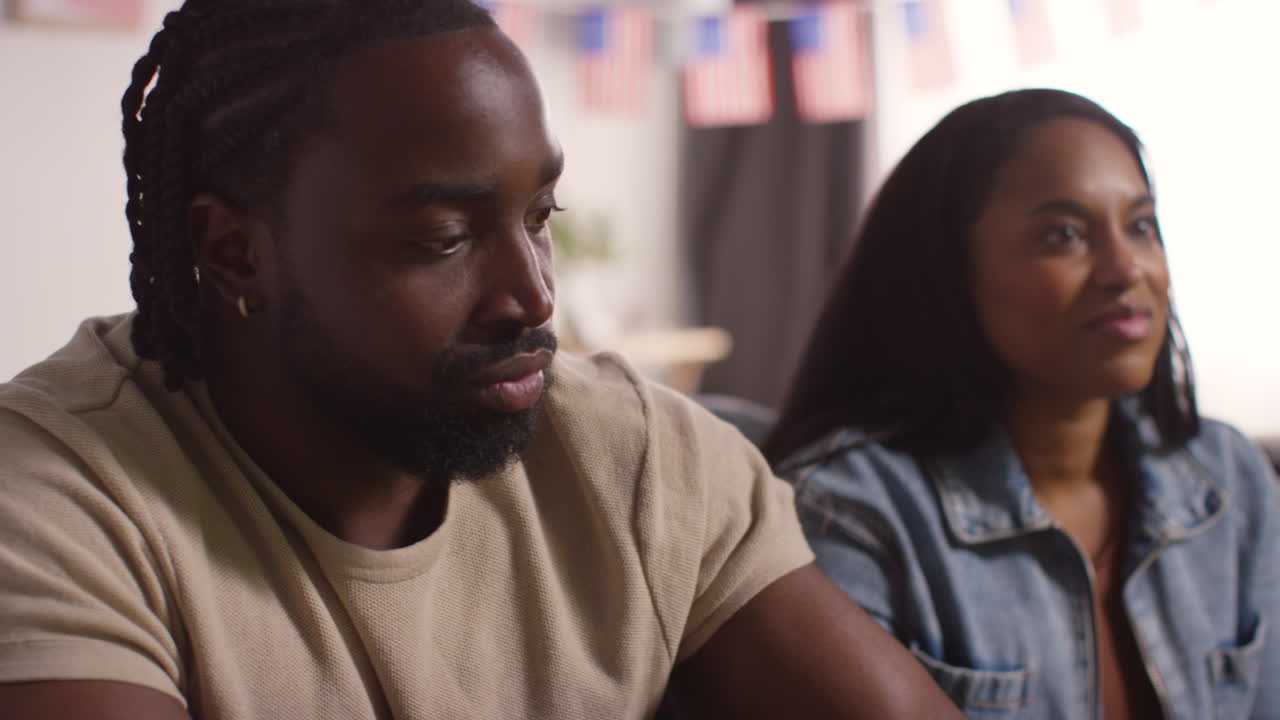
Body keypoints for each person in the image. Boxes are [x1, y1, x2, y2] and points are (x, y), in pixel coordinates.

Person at [0, 1, 965, 718]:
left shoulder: (639, 453)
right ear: (236, 251)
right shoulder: (53, 497)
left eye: (540, 216)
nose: (535, 297)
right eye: (443, 237)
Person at [765, 88, 1280, 719]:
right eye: (1063, 235)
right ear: (948, 271)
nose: (1125, 270)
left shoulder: (1229, 477)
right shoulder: (847, 514)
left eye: (1141, 226)